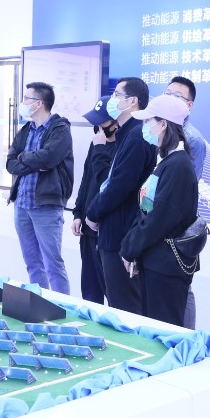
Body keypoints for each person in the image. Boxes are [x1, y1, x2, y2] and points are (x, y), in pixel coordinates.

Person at [119, 94, 198, 326]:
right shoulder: (166, 160)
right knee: (152, 325)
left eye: (148, 121)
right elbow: (147, 209)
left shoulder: (178, 166)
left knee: (164, 329)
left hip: (166, 266)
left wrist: (129, 248)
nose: (144, 126)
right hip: (154, 260)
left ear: (163, 124)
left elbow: (159, 219)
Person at [85, 77, 157, 315]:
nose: (112, 99)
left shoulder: (137, 135)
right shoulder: (128, 133)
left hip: (121, 233)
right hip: (116, 229)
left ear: (132, 101)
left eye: (117, 94)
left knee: (125, 308)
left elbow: (119, 185)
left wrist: (93, 213)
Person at [6, 82, 74, 294]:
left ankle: (62, 306)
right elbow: (10, 163)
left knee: (53, 263)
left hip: (46, 205)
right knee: (32, 262)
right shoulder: (26, 130)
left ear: (39, 103)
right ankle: (39, 302)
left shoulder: (60, 129)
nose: (22, 103)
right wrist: (34, 162)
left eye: (26, 99)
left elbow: (49, 158)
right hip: (22, 204)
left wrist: (24, 158)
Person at [164, 76, 206, 330]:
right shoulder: (162, 129)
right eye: (167, 93)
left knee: (182, 282)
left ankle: (188, 335)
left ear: (189, 105)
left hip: (179, 222)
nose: (169, 98)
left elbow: (188, 186)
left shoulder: (193, 139)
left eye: (176, 96)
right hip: (158, 216)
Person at [71, 95, 118, 304]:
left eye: (102, 122)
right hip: (87, 228)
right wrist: (78, 213)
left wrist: (100, 149)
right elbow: (87, 179)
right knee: (90, 290)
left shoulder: (123, 148)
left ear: (116, 122)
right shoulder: (97, 143)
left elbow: (108, 184)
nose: (98, 127)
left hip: (106, 229)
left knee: (112, 290)